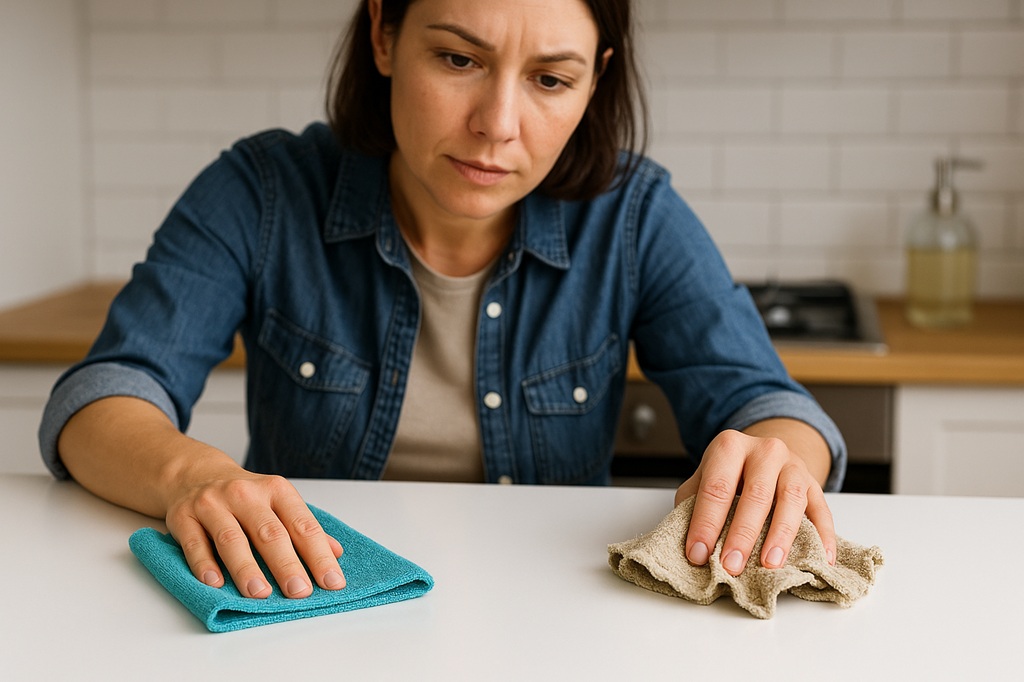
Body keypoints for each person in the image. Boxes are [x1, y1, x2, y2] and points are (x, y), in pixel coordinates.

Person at [40, 0, 846, 601]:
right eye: (459, 60)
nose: (498, 125)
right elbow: (102, 397)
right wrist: (190, 474)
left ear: (596, 78)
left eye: (551, 79)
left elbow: (767, 402)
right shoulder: (263, 192)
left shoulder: (632, 215)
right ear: (384, 34)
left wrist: (777, 455)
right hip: (311, 617)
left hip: (556, 620)